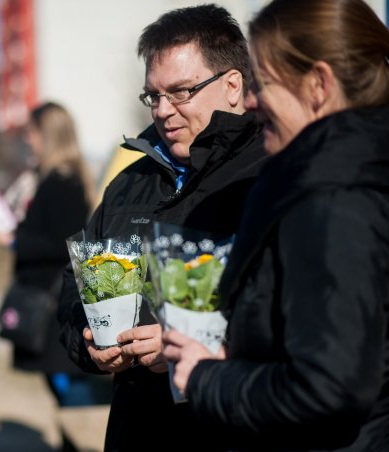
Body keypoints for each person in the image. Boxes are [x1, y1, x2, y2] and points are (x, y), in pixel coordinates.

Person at [161, 0, 389, 450]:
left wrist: (208, 378)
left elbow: (328, 388)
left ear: (318, 85)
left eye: (262, 82)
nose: (249, 101)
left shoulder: (334, 194)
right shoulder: (352, 171)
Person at [57, 4, 268, 451]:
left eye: (181, 92)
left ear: (233, 85)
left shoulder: (268, 175)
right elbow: (72, 290)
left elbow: (296, 316)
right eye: (153, 96)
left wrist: (184, 344)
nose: (163, 111)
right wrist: (88, 341)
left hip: (233, 430)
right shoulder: (129, 183)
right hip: (136, 430)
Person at [0, 102, 109, 410]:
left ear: (49, 135)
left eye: (32, 132)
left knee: (71, 387)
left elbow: (64, 242)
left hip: (57, 300)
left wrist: (16, 241)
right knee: (62, 385)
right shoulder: (52, 178)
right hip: (52, 296)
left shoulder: (63, 181)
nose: (27, 139)